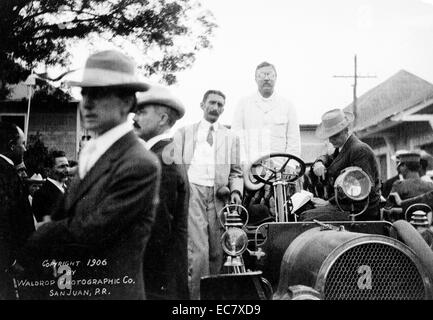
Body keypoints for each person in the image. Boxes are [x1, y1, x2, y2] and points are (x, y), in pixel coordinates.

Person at [18, 50, 161, 300]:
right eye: (85, 93)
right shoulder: (92, 153)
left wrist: (41, 233)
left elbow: (90, 230)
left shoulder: (139, 163)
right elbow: (68, 214)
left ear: (127, 102)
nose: (87, 103)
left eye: (99, 93)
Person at [174, 89, 243, 300]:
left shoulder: (231, 137)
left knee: (217, 252)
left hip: (218, 197)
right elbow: (175, 167)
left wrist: (236, 191)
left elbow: (236, 172)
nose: (215, 108)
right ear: (202, 105)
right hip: (192, 192)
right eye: (212, 103)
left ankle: (214, 300)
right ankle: (196, 302)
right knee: (198, 253)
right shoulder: (184, 133)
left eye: (220, 104)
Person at [133, 85, 189, 300]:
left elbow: (158, 228)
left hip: (158, 279)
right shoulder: (163, 155)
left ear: (163, 119)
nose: (134, 118)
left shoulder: (162, 161)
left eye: (142, 112)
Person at [301, 108, 381, 221]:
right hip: (345, 205)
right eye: (329, 136)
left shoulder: (359, 150)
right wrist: (320, 162)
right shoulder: (343, 148)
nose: (331, 140)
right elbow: (329, 158)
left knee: (307, 218)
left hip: (358, 209)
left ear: (346, 130)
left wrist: (328, 203)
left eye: (335, 135)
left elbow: (361, 188)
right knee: (303, 209)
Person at [232, 61, 301, 164]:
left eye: (270, 75)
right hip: (250, 168)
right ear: (255, 79)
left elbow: (293, 140)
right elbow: (236, 137)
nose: (266, 78)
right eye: (261, 75)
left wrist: (290, 167)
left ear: (276, 78)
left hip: (280, 168)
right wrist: (242, 166)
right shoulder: (244, 104)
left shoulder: (287, 105)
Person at [0, 122, 35, 299]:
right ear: (12, 145)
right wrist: (12, 259)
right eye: (23, 143)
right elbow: (5, 221)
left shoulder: (8, 171)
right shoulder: (5, 174)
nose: (25, 149)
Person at [32, 150, 69, 223]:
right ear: (48, 171)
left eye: (67, 166)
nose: (67, 170)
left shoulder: (68, 189)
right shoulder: (41, 195)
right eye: (62, 167)